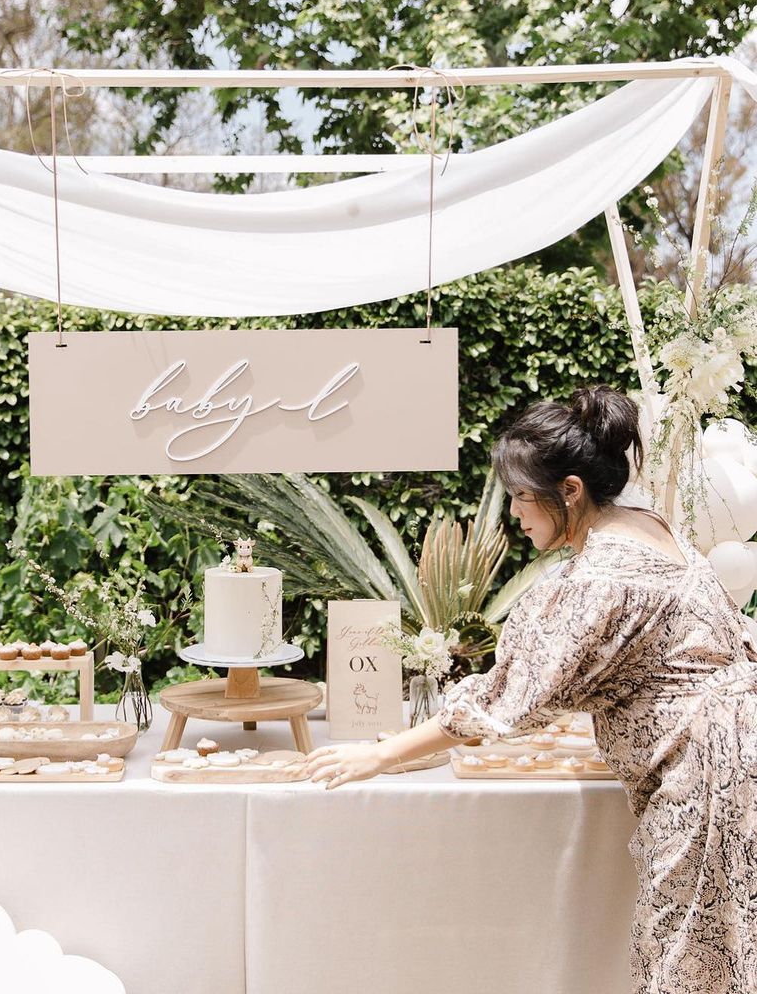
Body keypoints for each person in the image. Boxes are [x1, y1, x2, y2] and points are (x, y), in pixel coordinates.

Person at [306, 385, 757, 993]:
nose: (515, 514)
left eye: (522, 496)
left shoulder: (599, 576)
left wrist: (381, 755)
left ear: (570, 490)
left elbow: (509, 699)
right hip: (737, 750)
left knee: (688, 960)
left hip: (706, 774)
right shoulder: (651, 527)